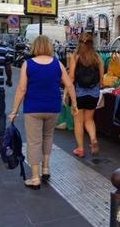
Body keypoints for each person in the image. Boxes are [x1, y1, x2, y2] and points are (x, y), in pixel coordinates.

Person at [8, 35, 78, 189]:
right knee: (48, 137)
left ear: (35, 47)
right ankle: (46, 169)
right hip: (53, 108)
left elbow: (21, 89)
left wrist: (14, 111)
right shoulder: (57, 64)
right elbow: (70, 85)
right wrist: (74, 104)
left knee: (34, 142)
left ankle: (35, 177)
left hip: (33, 108)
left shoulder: (28, 64)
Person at [69, 32, 104, 157]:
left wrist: (67, 93)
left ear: (80, 43)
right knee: (89, 119)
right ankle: (93, 139)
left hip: (79, 92)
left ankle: (80, 149)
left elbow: (72, 77)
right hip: (93, 93)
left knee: (78, 122)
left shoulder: (75, 57)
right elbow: (101, 78)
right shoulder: (97, 57)